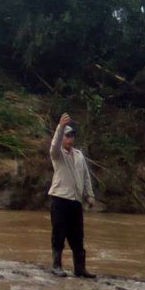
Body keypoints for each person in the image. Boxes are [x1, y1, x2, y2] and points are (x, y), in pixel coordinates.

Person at [48, 113, 96, 278]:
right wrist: (60, 127)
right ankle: (56, 266)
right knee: (59, 234)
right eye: (67, 136)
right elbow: (54, 145)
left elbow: (85, 176)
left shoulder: (79, 155)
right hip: (60, 199)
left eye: (72, 135)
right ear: (62, 137)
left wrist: (89, 195)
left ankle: (80, 268)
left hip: (75, 202)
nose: (70, 138)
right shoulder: (58, 155)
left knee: (78, 236)